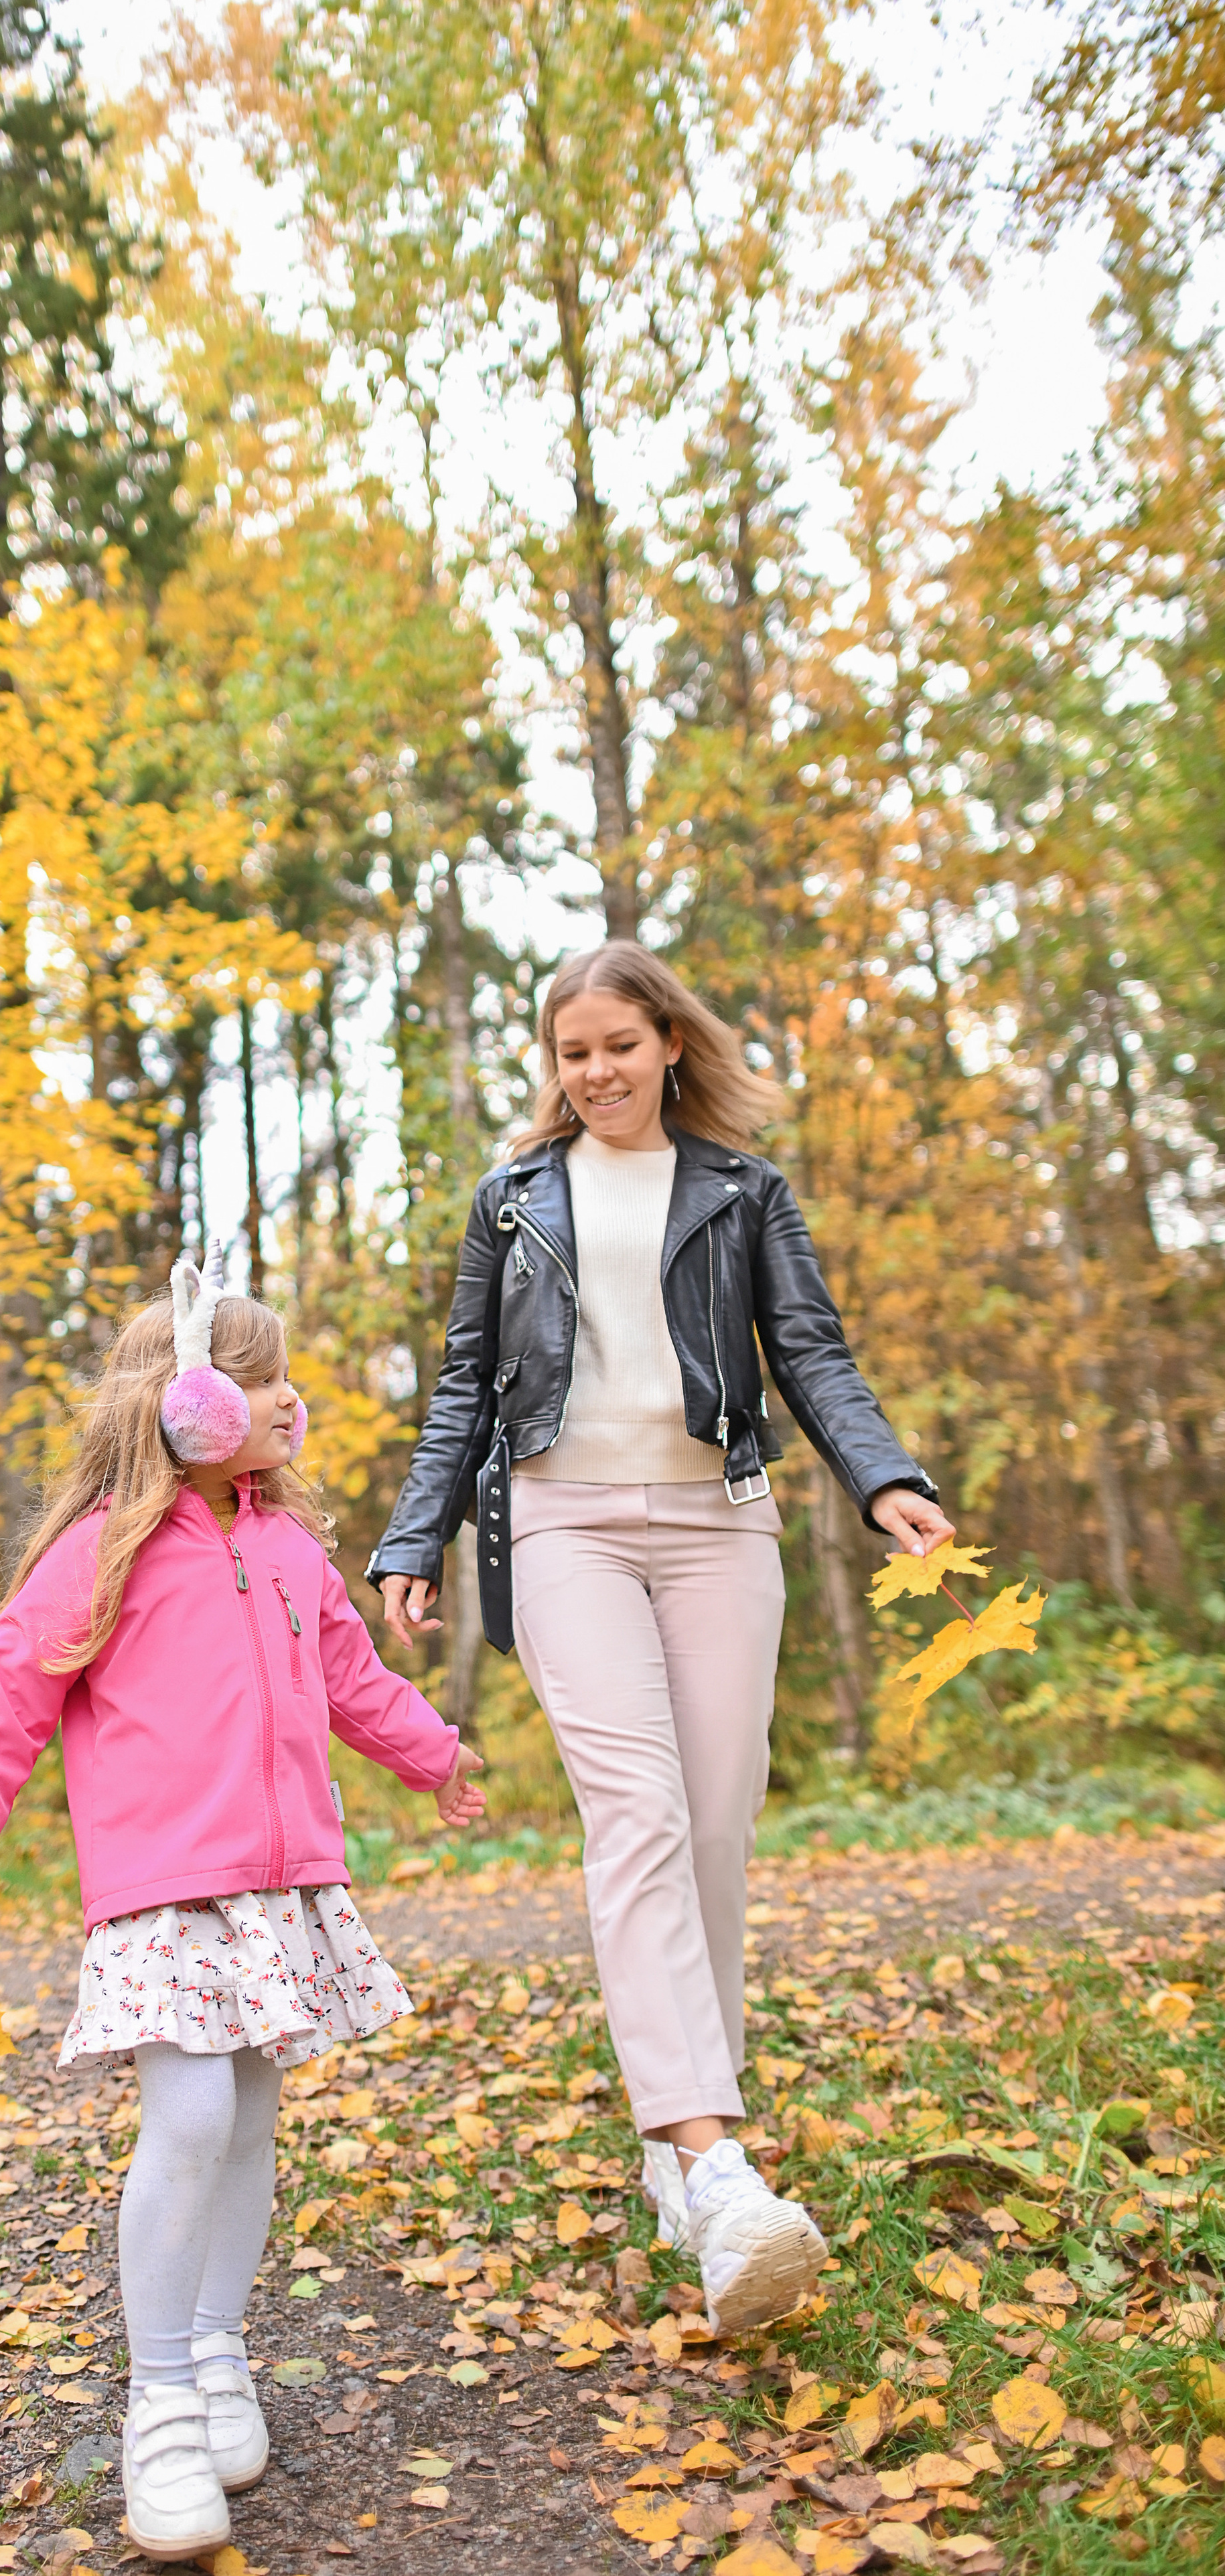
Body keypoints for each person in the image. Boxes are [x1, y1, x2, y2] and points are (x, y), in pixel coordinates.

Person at [366, 941, 954, 2334]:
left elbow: (807, 1349)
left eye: (619, 1046)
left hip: (718, 1525)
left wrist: (882, 1477)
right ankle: (713, 2162)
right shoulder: (513, 1197)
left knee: (713, 1833)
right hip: (561, 1520)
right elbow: (466, 1380)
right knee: (635, 1814)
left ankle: (683, 2150)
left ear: (670, 1043)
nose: (596, 1073)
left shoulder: (743, 1189)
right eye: (572, 1053)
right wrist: (413, 1533)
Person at [0, 1245, 485, 2563]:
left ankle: (220, 2350)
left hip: (280, 1891)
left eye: (284, 1380)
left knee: (251, 2121)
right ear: (190, 1404)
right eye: (261, 1381)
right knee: (192, 2115)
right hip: (163, 1893)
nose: (289, 1401)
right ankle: (159, 2398)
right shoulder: (101, 1553)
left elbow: (355, 1682)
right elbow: (7, 1697)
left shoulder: (289, 1549)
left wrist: (437, 1754)